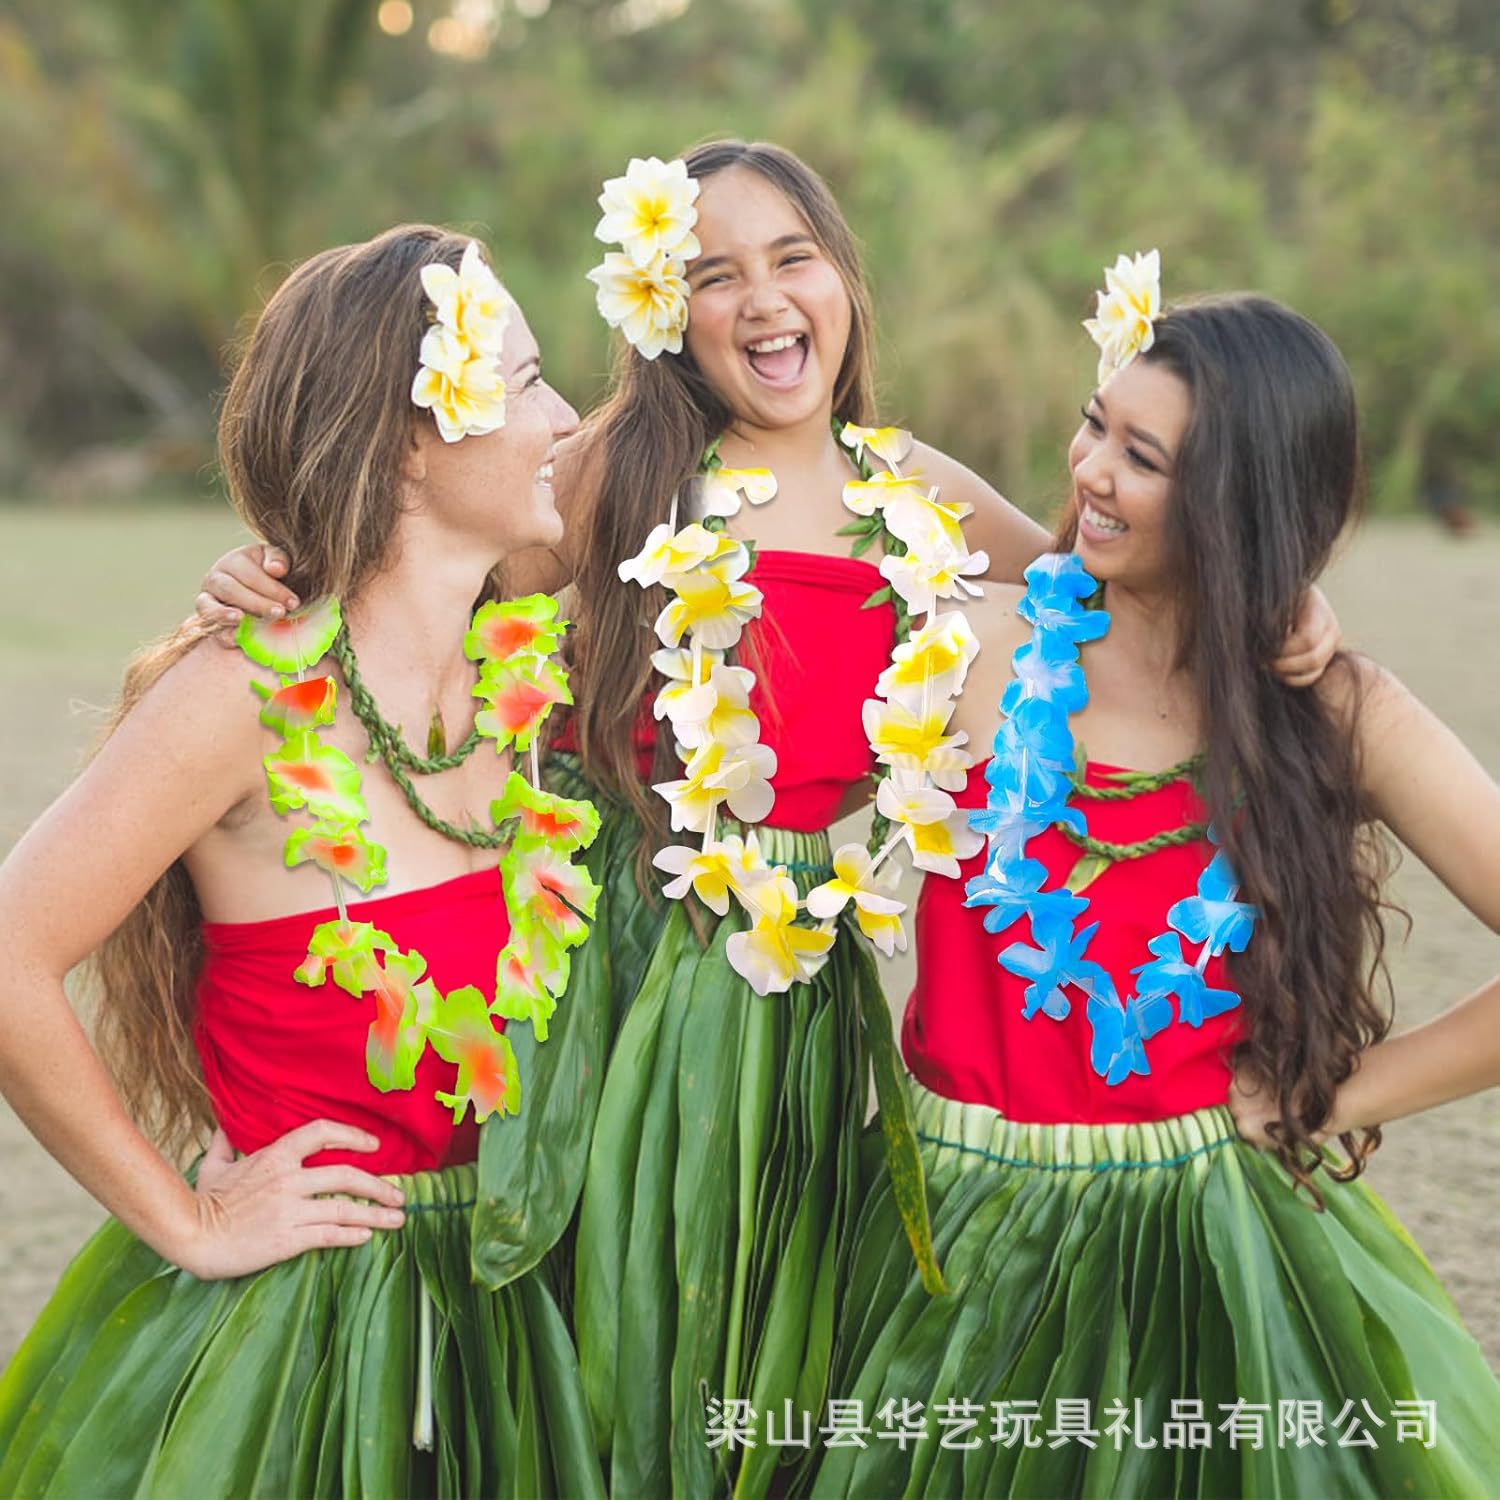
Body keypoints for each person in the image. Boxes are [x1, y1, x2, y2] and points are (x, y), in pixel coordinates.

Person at [190, 148, 1337, 1498]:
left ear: (844, 276)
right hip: (609, 952)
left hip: (794, 978)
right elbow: (420, 554)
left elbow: (1128, 584)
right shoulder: (622, 462)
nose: (763, 299)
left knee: (762, 1322)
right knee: (600, 1306)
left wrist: (1290, 611)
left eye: (792, 256)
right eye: (712, 273)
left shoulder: (918, 491)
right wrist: (267, 576)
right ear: (663, 307)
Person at [808, 271, 1500, 1497]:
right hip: (939, 1250)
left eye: (1143, 455)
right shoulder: (971, 644)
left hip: (1209, 1250)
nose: (1088, 471)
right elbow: (839, 456)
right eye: (1094, 423)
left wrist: (1322, 1102)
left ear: (1239, 502)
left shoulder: (1332, 710)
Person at [0, 225, 605, 1498]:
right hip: (305, 1343)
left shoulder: (520, 658)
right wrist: (187, 1219)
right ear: (407, 443)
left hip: (516, 1308)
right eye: (527, 378)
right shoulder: (245, 696)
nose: (562, 416)